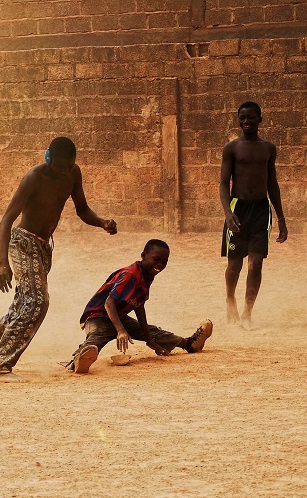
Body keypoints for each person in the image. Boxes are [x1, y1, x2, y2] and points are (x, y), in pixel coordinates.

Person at [0, 137, 117, 383]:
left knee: (23, 307)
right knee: (38, 302)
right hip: (23, 243)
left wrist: (102, 222)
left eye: (68, 166)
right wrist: (2, 263)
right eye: (60, 166)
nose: (64, 171)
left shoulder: (73, 173)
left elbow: (82, 209)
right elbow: (6, 220)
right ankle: (2, 365)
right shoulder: (34, 178)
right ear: (48, 158)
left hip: (42, 247)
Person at [60, 239, 213, 374]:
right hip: (98, 316)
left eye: (164, 262)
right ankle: (79, 360)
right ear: (143, 255)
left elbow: (139, 307)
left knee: (153, 331)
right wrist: (120, 330)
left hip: (118, 317)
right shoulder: (131, 274)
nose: (160, 264)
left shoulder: (148, 275)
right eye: (156, 259)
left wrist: (149, 340)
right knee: (97, 336)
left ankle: (190, 344)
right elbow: (109, 303)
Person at [220, 101, 288, 330]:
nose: (246, 122)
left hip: (261, 209)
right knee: (234, 265)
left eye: (251, 117)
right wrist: (228, 213)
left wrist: (281, 219)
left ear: (261, 119)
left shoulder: (268, 148)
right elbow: (223, 183)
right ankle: (231, 299)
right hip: (237, 209)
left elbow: (272, 184)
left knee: (256, 264)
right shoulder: (231, 148)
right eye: (242, 118)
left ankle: (248, 313)